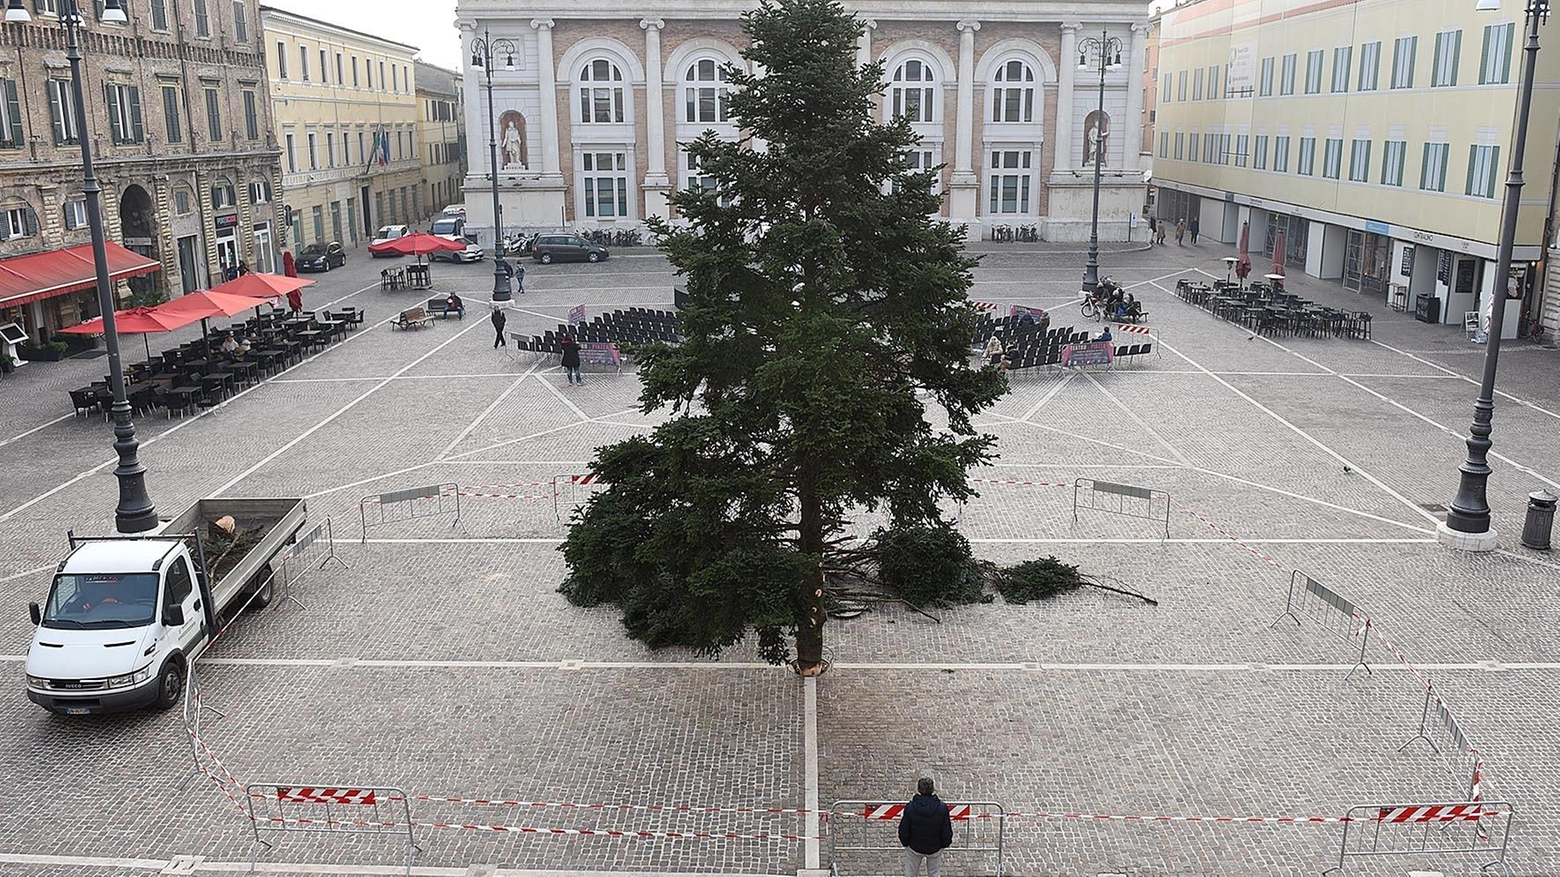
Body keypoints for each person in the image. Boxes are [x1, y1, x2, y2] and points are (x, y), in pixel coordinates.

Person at [897, 777, 953, 877]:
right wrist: (944, 844)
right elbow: (946, 830)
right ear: (932, 789)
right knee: (934, 873)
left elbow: (904, 829)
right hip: (934, 847)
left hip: (914, 847)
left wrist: (906, 843)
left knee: (911, 873)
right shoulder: (942, 808)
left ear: (918, 789)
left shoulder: (910, 808)